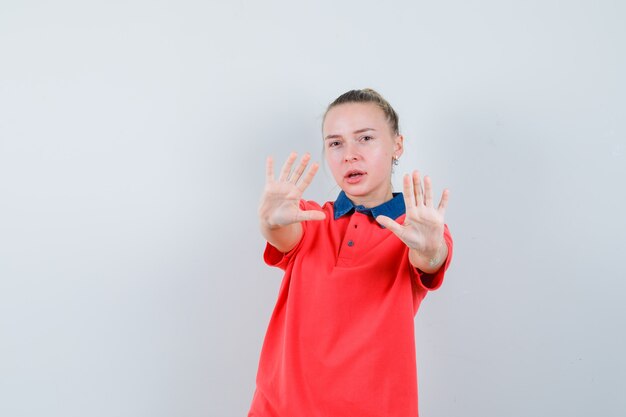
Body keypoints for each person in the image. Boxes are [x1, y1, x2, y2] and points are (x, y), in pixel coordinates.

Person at [248, 88, 453, 417]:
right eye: (335, 143)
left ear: (397, 145)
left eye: (365, 138)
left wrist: (430, 248)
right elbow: (283, 233)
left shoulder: (414, 230)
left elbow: (430, 258)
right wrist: (269, 223)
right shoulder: (310, 217)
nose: (349, 155)